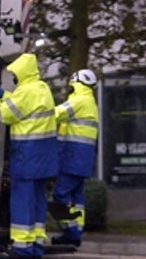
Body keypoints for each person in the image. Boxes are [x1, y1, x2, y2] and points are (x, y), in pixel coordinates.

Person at [0, 53, 58, 259]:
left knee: (22, 203)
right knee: (38, 203)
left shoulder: (27, 92)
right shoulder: (40, 88)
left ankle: (21, 250)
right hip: (43, 159)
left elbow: (4, 114)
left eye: (15, 74)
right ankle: (35, 246)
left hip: (26, 158)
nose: (14, 77)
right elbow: (17, 103)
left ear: (22, 73)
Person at [50, 69, 99, 247]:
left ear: (76, 82)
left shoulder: (79, 101)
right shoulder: (90, 102)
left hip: (72, 157)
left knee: (60, 194)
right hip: (82, 159)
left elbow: (55, 114)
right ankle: (75, 232)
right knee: (76, 196)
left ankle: (71, 231)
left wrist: (33, 114)